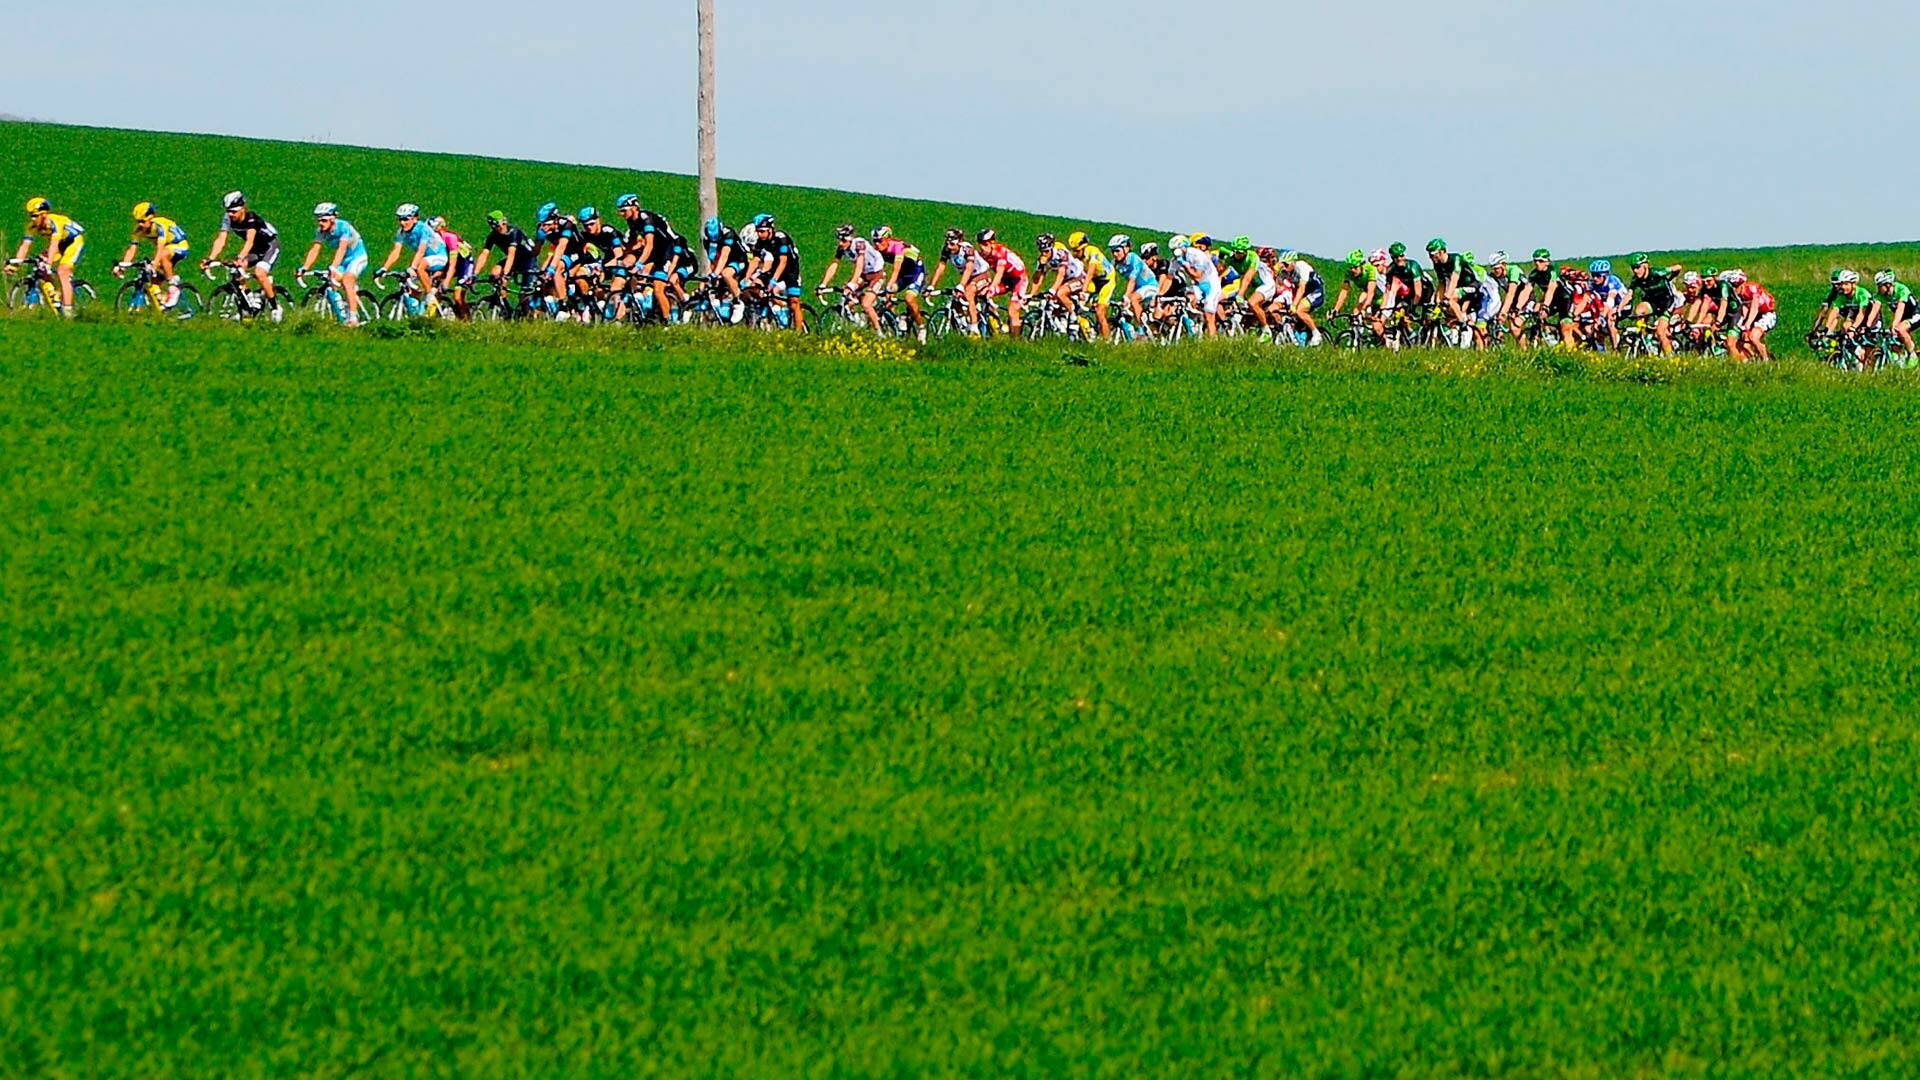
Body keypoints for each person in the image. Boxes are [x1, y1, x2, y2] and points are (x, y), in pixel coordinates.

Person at [202, 191, 282, 321]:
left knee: (260, 273)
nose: (230, 214)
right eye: (228, 211)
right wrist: (210, 258)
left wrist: (240, 258)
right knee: (237, 271)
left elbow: (250, 240)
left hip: (270, 246)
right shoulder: (228, 218)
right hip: (255, 249)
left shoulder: (251, 219)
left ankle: (275, 308)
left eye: (233, 211)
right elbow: (221, 239)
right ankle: (250, 300)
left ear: (242, 208)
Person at [8, 197, 87, 314]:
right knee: (39, 263)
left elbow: (53, 245)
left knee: (63, 270)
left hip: (73, 242)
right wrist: (15, 265)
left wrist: (49, 264)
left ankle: (68, 311)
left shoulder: (55, 223)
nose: (32, 219)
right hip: (60, 244)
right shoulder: (31, 227)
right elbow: (25, 246)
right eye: (31, 216)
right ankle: (55, 296)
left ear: (43, 215)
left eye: (35, 216)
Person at [298, 202, 369, 326]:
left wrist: (334, 267)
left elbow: (341, 249)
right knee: (332, 281)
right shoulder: (321, 231)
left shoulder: (344, 227)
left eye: (324, 220)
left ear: (333, 219)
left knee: (347, 279)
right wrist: (305, 267)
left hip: (357, 257)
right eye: (319, 220)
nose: (321, 223)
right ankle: (344, 306)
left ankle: (353, 317)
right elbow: (315, 249)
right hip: (343, 261)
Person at [376, 203, 449, 316]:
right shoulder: (401, 232)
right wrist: (384, 268)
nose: (402, 223)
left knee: (420, 267)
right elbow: (396, 252)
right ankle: (419, 318)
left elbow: (421, 250)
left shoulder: (423, 229)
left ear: (415, 219)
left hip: (439, 256)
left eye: (406, 219)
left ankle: (430, 295)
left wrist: (413, 267)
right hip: (425, 259)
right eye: (400, 219)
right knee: (414, 291)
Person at [117, 201, 191, 308]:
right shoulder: (138, 230)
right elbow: (132, 249)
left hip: (179, 246)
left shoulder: (160, 226)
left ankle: (173, 286)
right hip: (165, 250)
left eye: (142, 221)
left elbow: (160, 247)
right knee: (153, 279)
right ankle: (162, 305)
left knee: (163, 255)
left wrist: (155, 263)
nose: (140, 225)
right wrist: (123, 265)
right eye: (137, 221)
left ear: (151, 218)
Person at [820, 224, 888, 333]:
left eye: (843, 240)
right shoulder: (843, 247)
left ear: (849, 239)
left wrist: (852, 283)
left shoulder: (859, 243)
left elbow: (859, 265)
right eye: (839, 240)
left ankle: (880, 333)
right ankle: (859, 321)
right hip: (864, 275)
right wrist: (823, 284)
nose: (840, 243)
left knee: (866, 304)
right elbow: (834, 264)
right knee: (847, 300)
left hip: (876, 275)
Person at [473, 210, 541, 316]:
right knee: (495, 274)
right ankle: (505, 308)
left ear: (504, 222)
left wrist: (505, 274)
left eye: (497, 226)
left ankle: (529, 318)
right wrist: (474, 274)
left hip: (528, 260)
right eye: (493, 227)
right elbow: (484, 254)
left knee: (524, 296)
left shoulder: (514, 232)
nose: (496, 229)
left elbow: (511, 254)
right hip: (515, 260)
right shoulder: (493, 235)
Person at [746, 214, 805, 331]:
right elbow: (755, 260)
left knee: (794, 302)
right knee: (755, 285)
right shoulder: (760, 241)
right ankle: (768, 314)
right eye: (758, 231)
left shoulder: (781, 238)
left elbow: (783, 262)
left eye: (762, 231)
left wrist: (773, 281)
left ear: (770, 229)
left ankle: (799, 334)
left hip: (790, 271)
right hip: (775, 269)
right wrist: (747, 278)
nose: (759, 234)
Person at [873, 226, 927, 342]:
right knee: (885, 299)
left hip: (916, 272)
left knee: (909, 298)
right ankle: (898, 322)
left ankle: (921, 327)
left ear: (888, 239)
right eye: (875, 241)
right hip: (903, 274)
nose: (877, 244)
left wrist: (889, 287)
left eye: (880, 241)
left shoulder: (898, 247)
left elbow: (896, 269)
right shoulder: (878, 250)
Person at [1625, 253, 1685, 355]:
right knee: (1639, 311)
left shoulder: (1657, 273)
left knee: (1660, 332)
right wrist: (1618, 310)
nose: (1635, 271)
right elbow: (1629, 295)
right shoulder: (1636, 279)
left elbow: (1678, 267)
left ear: (1645, 266)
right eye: (1633, 268)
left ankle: (1671, 359)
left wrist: (1670, 277)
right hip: (1654, 303)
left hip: (1668, 303)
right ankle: (1646, 341)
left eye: (1638, 267)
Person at [975, 229, 1029, 337]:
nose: (982, 247)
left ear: (992, 243)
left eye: (985, 244)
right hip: (1005, 280)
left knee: (1013, 309)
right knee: (983, 295)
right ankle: (996, 326)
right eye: (980, 244)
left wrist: (991, 287)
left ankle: (1015, 341)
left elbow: (999, 273)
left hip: (1018, 279)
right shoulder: (983, 255)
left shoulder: (1000, 253)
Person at [1168, 234, 1222, 337]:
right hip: (1196, 285)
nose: (1174, 252)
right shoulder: (1175, 259)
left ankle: (1212, 341)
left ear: (1183, 247)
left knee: (1208, 314)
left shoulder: (1197, 255)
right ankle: (1193, 330)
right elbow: (1168, 278)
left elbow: (1197, 276)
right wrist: (1159, 295)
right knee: (1186, 302)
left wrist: (1185, 264)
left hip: (1210, 284)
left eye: (1176, 249)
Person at [1107, 235, 1158, 340]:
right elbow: (1109, 279)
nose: (1115, 254)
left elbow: (1132, 280)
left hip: (1150, 286)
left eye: (1117, 251)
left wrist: (1127, 295)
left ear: (1126, 249)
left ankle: (1141, 331)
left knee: (1133, 299)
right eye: (1112, 251)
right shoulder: (1115, 264)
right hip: (1138, 289)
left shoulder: (1133, 258)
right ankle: (1131, 333)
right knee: (1123, 309)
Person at [701, 217, 751, 323]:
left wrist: (716, 274)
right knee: (716, 284)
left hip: (738, 259)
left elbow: (724, 256)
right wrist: (712, 275)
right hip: (725, 262)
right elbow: (713, 259)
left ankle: (738, 301)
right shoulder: (707, 240)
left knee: (726, 274)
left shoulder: (728, 234)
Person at [1274, 250, 1324, 345]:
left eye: (1286, 264)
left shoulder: (1302, 267)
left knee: (1299, 310)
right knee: (1289, 314)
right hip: (1304, 293)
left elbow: (1301, 288)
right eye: (1282, 265)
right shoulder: (1285, 271)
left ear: (1293, 263)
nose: (1284, 267)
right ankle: (1300, 336)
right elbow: (1278, 286)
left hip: (1315, 291)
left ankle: (1316, 334)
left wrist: (1294, 305)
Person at [431, 216, 476, 320]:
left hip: (465, 264)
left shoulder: (450, 238)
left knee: (457, 296)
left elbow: (452, 265)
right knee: (434, 284)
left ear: (441, 228)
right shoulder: (434, 241)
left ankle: (467, 322)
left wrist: (446, 281)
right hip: (450, 263)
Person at [1724, 270, 1775, 361]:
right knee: (1744, 341)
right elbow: (1745, 309)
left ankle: (1766, 361)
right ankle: (1753, 358)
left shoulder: (1752, 289)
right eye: (1732, 286)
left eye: (1736, 286)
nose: (1734, 289)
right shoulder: (1739, 295)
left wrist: (1747, 325)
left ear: (1742, 284)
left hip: (1767, 314)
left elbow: (1754, 308)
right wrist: (1743, 324)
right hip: (1756, 315)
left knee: (1753, 337)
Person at [1871, 269, 1919, 359]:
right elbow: (1875, 310)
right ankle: (1900, 360)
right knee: (1892, 339)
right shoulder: (1881, 295)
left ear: (1888, 285)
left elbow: (1900, 309)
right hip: (1902, 318)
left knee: (1900, 329)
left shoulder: (1901, 290)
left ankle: (1913, 356)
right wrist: (1868, 326)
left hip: (1915, 314)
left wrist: (1894, 325)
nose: (1878, 289)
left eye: (1880, 286)